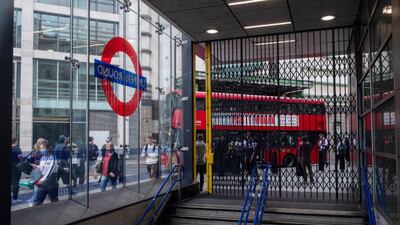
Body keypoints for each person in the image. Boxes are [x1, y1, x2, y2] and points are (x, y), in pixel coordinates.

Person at [30, 140, 59, 206]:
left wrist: (42, 180)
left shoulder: (53, 158)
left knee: (54, 200)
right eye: (41, 148)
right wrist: (36, 166)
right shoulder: (42, 157)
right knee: (37, 201)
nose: (41, 150)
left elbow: (50, 171)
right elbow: (42, 167)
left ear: (48, 148)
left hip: (51, 183)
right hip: (42, 183)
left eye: (43, 148)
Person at [11, 138, 23, 204]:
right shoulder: (17, 149)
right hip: (16, 168)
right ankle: (15, 199)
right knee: (15, 183)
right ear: (16, 142)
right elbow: (21, 158)